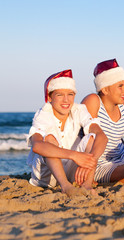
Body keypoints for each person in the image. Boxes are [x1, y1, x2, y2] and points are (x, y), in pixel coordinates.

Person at [27, 69, 107, 197]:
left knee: (92, 137)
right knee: (49, 140)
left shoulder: (79, 109)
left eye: (70, 94)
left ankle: (87, 185)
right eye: (59, 95)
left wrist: (89, 161)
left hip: (72, 172)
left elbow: (102, 136)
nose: (66, 100)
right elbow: (37, 146)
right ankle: (65, 186)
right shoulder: (43, 114)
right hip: (46, 176)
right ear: (49, 97)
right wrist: (75, 155)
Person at [82, 59, 124, 184]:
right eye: (120, 86)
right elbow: (86, 137)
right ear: (105, 89)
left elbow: (117, 137)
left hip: (121, 156)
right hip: (97, 162)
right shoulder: (93, 101)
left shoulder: (122, 106)